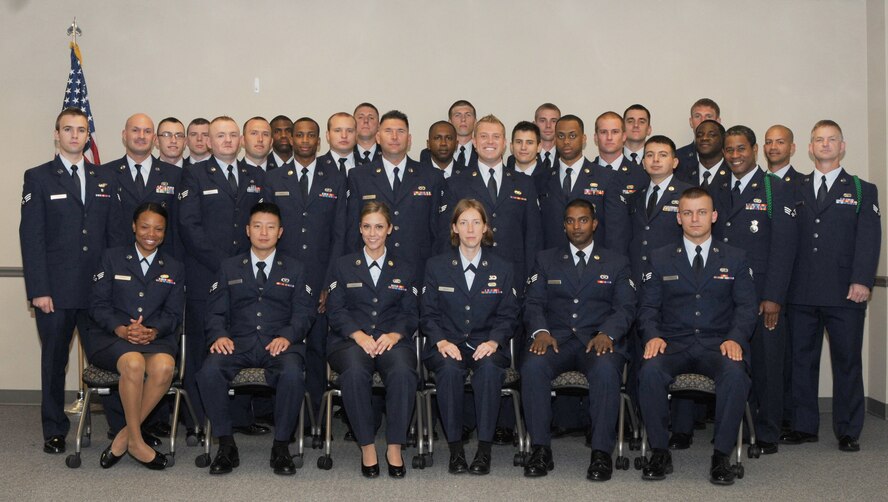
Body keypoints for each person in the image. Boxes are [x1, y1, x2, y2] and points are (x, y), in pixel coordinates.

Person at [20, 107, 125, 454]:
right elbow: (31, 237)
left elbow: (113, 239)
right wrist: (38, 290)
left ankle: (118, 427)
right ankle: (54, 429)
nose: (75, 135)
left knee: (108, 358)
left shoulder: (103, 178)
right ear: (57, 134)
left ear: (87, 136)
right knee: (54, 362)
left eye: (81, 130)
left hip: (97, 292)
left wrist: (115, 286)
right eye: (68, 129)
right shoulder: (38, 177)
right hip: (56, 292)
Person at [637, 187, 756, 485]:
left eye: (701, 212)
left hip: (718, 344)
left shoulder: (736, 257)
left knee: (735, 375)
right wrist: (652, 334)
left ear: (713, 216)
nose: (694, 219)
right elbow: (648, 306)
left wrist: (736, 338)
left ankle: (721, 457)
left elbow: (746, 307)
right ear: (678, 218)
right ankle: (660, 452)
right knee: (649, 372)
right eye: (687, 213)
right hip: (673, 343)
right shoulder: (660, 257)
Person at [781, 120, 881, 452]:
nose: (824, 145)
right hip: (801, 291)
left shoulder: (863, 189)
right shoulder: (794, 188)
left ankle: (848, 430)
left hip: (845, 292)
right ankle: (803, 425)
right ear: (810, 148)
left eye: (831, 139)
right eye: (818, 140)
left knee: (847, 361)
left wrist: (863, 280)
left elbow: (869, 239)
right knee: (801, 360)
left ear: (842, 146)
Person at [521, 198, 636, 481]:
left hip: (597, 340)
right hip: (555, 339)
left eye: (583, 220)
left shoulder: (616, 262)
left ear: (594, 224)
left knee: (607, 371)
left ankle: (600, 453)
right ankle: (540, 449)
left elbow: (626, 307)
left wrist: (607, 333)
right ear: (563, 226)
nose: (577, 226)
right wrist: (541, 331)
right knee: (532, 367)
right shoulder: (546, 259)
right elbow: (533, 303)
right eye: (571, 220)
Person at [197, 202, 315, 475]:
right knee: (208, 372)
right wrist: (219, 335)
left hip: (280, 345)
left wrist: (288, 336)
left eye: (271, 227)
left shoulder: (296, 269)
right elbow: (213, 311)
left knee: (292, 375)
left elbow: (305, 313)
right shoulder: (228, 267)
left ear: (280, 232)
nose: (264, 232)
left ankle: (281, 446)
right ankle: (226, 445)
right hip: (237, 344)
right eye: (258, 226)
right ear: (248, 230)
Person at [178, 116, 268, 441]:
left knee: (241, 343)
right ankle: (198, 422)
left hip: (247, 280)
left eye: (232, 135)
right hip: (206, 277)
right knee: (204, 348)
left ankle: (240, 418)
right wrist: (225, 265)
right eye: (221, 135)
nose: (227, 140)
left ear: (241, 140)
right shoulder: (194, 175)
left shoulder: (256, 177)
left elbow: (264, 225)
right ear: (209, 142)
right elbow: (189, 226)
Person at [711, 125, 797, 454]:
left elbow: (784, 247)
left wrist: (774, 296)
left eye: (741, 149)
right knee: (732, 363)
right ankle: (736, 426)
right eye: (729, 150)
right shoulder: (715, 187)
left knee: (767, 364)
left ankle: (767, 431)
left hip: (763, 294)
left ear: (754, 149)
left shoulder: (775, 188)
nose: (735, 155)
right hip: (724, 292)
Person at [421, 199, 519, 475]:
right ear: (454, 228)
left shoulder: (502, 268)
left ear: (486, 227)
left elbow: (509, 314)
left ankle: (483, 450)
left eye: (476, 222)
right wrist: (441, 341)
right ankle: (456, 451)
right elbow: (427, 314)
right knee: (450, 372)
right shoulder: (436, 266)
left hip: (487, 344)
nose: (470, 228)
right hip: (447, 345)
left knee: (488, 371)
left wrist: (494, 341)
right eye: (463, 222)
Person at [84, 203, 184, 470]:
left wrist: (154, 331)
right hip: (111, 338)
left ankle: (124, 438)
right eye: (144, 226)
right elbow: (97, 305)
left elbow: (174, 314)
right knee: (134, 363)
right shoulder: (111, 258)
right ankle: (138, 442)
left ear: (165, 232)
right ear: (133, 227)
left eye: (158, 229)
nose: (151, 233)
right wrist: (121, 328)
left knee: (164, 366)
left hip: (155, 339)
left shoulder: (173, 267)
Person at [326, 201, 419, 478]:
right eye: (367, 227)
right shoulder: (343, 266)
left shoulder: (404, 267)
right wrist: (358, 335)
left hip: (393, 340)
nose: (373, 233)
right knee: (354, 373)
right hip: (350, 342)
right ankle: (366, 445)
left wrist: (393, 334)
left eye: (379, 226)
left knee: (403, 372)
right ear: (359, 229)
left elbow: (411, 311)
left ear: (389, 229)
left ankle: (394, 446)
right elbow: (336, 309)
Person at [266, 116, 347, 417]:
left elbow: (339, 235)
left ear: (318, 140)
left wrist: (328, 284)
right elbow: (266, 235)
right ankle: (286, 414)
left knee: (316, 348)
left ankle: (315, 415)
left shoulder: (335, 178)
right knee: (283, 346)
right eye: (298, 135)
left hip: (319, 279)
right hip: (282, 280)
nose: (303, 140)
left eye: (310, 135)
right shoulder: (274, 178)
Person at [345, 110, 446, 277]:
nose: (394, 137)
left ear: (409, 139)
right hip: (373, 269)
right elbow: (352, 229)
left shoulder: (431, 176)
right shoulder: (359, 176)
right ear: (378, 137)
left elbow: (438, 231)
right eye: (388, 131)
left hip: (419, 269)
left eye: (400, 131)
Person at [538, 114, 629, 255]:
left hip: (596, 264)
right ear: (555, 139)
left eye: (573, 136)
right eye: (561, 136)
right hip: (553, 264)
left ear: (584, 139)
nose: (566, 141)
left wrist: (612, 267)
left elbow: (615, 231)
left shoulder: (607, 177)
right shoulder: (541, 179)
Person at [592, 111, 650, 206]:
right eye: (603, 132)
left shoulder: (641, 175)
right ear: (596, 137)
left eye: (615, 132)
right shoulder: (585, 174)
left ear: (624, 136)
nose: (609, 137)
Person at [676, 119, 730, 191]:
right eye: (699, 135)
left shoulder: (732, 174)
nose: (704, 138)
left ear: (723, 140)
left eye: (711, 135)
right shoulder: (681, 175)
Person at [674, 98, 722, 178]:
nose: (703, 120)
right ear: (691, 122)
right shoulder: (677, 157)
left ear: (718, 121)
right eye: (697, 116)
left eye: (708, 116)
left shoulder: (729, 155)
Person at [508, 121, 548, 194]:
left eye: (529, 142)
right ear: (511, 146)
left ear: (539, 147)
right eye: (519, 142)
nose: (523, 147)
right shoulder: (501, 177)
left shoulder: (549, 179)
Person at [324, 112, 358, 176]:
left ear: (356, 135)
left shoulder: (368, 166)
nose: (344, 136)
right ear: (328, 135)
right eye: (337, 130)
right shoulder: (316, 165)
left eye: (349, 131)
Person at [534, 103, 561, 170]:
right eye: (542, 121)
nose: (548, 126)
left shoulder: (567, 156)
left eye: (553, 121)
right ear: (534, 125)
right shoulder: (519, 159)